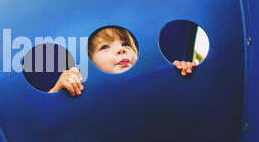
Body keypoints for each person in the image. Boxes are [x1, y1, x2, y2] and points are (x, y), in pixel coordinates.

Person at [48, 26, 197, 96]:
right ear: (88, 62)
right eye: (105, 47)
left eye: (126, 44)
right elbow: (44, 117)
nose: (121, 50)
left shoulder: (151, 81)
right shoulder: (83, 89)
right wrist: (60, 87)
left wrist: (183, 73)